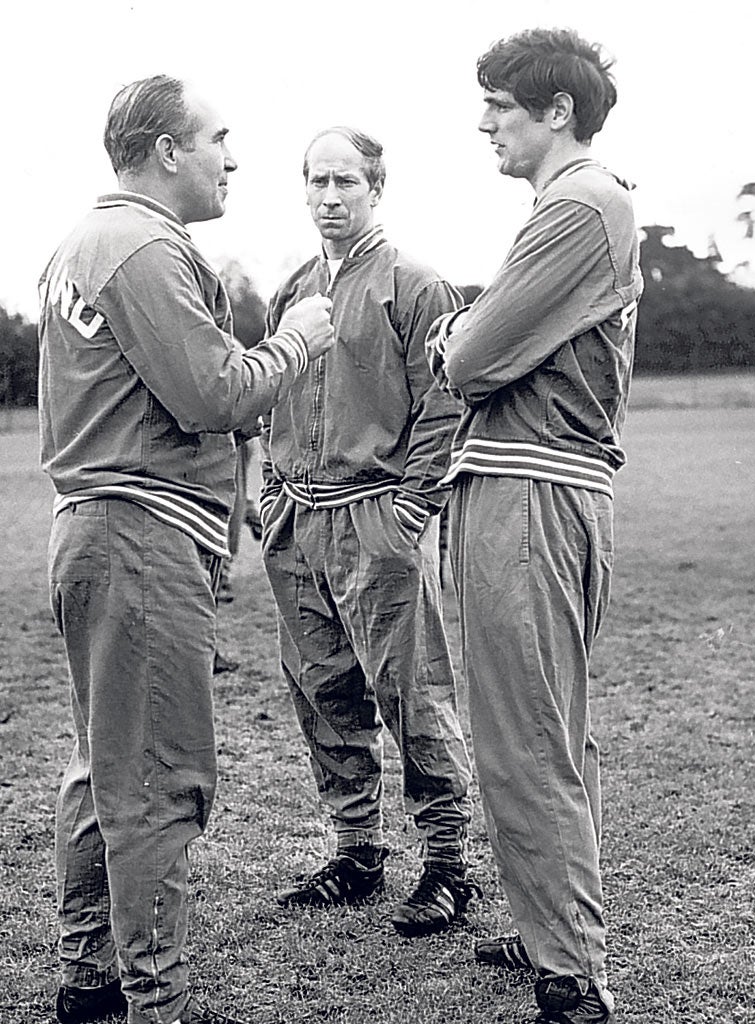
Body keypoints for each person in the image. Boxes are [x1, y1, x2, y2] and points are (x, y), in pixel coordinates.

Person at [39, 75, 334, 1024]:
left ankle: (90, 984)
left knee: (105, 767)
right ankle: (152, 999)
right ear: (167, 150)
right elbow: (214, 397)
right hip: (139, 538)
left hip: (101, 531)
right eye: (218, 138)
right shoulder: (143, 246)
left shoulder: (86, 241)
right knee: (162, 776)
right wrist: (297, 338)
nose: (232, 157)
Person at [426, 29, 642, 1024]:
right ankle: (554, 927)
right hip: (539, 491)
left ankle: (571, 977)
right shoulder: (577, 206)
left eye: (501, 106)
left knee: (524, 741)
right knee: (551, 732)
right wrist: (470, 334)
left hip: (527, 492)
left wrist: (459, 337)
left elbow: (470, 362)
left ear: (556, 110)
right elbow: (488, 342)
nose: (485, 123)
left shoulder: (581, 203)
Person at [259, 127, 477, 936]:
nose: (329, 197)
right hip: (297, 520)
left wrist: (411, 507)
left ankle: (449, 863)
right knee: (322, 690)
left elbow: (445, 404)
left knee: (409, 691)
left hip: (375, 517)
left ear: (376, 187)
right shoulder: (292, 291)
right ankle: (356, 852)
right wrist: (272, 488)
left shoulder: (416, 286)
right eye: (316, 181)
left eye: (345, 181)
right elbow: (270, 395)